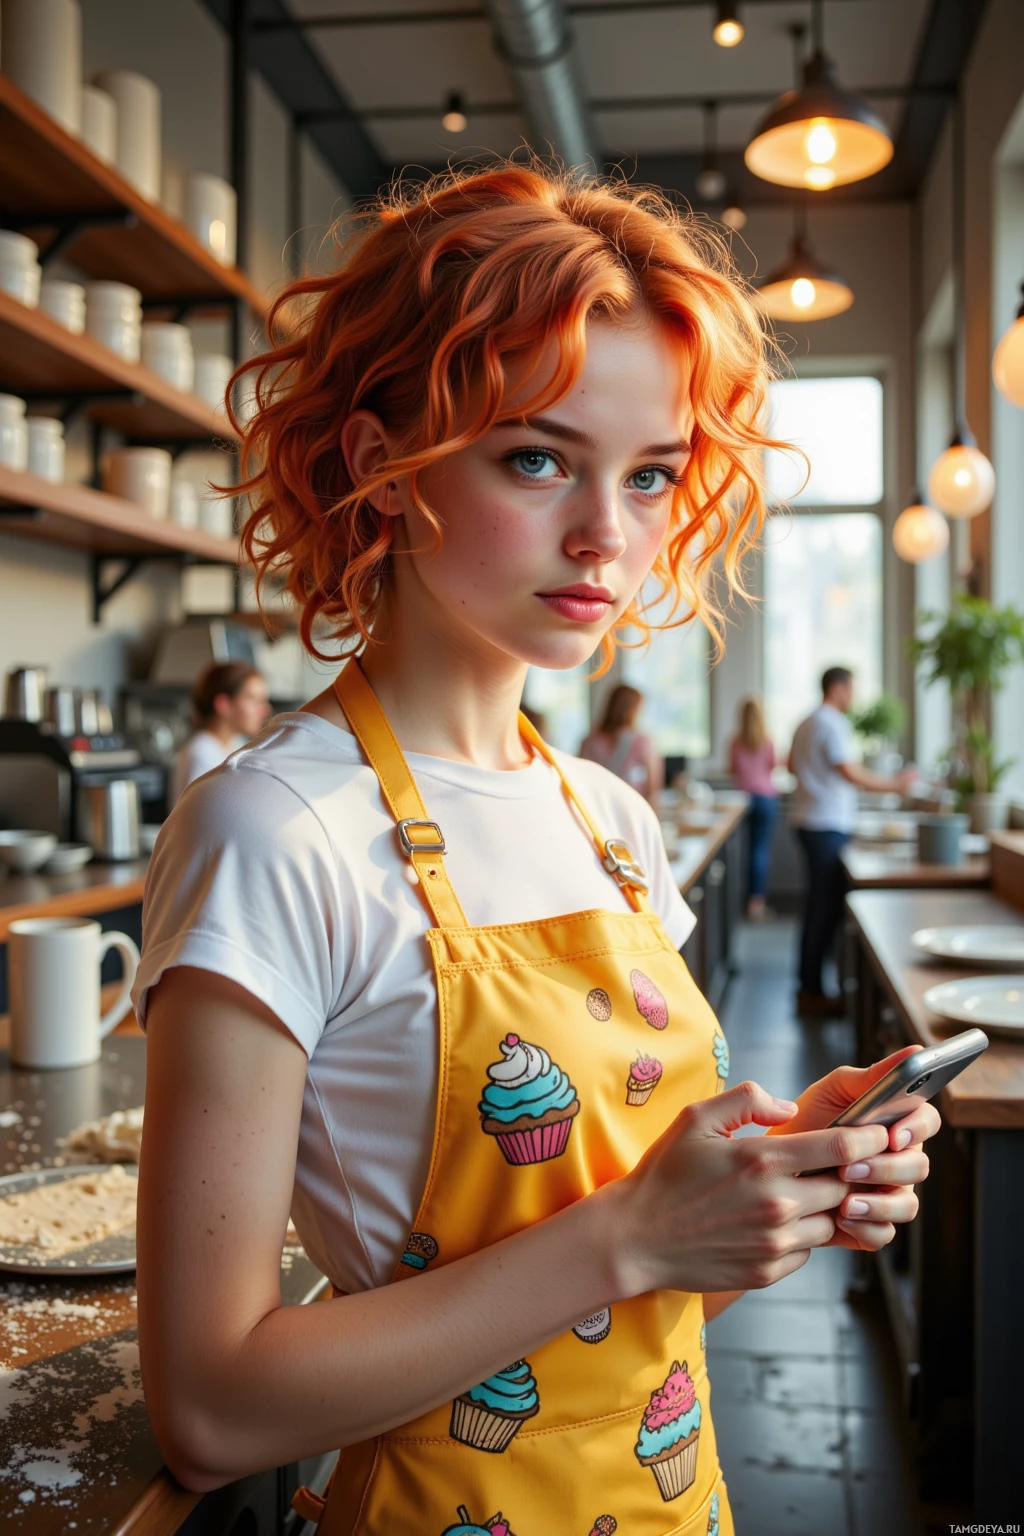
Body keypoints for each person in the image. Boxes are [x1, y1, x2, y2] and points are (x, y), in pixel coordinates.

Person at [132, 164, 938, 1535]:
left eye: (651, 477)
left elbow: (620, 1310)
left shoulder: (608, 821)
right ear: (373, 464)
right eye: (537, 457)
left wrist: (773, 1198)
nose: (607, 539)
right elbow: (208, 1412)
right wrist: (630, 1232)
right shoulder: (273, 829)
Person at [789, 667, 916, 1016]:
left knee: (817, 907)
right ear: (837, 687)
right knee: (824, 911)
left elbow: (790, 765)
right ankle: (812, 992)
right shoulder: (831, 723)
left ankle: (809, 987)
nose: (853, 697)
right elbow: (849, 771)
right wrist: (894, 785)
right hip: (826, 824)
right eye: (851, 689)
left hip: (809, 820)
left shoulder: (806, 722)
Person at [168, 661, 271, 808]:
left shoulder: (236, 745)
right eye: (253, 699)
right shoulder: (202, 751)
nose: (265, 710)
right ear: (223, 704)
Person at [729, 696, 778, 921]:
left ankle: (739, 899)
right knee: (760, 851)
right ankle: (756, 903)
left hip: (744, 799)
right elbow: (772, 766)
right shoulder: (767, 741)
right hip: (765, 798)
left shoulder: (735, 742)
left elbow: (733, 770)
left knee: (744, 851)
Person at [580, 684, 663, 802]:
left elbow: (580, 779)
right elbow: (653, 788)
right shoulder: (642, 742)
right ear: (634, 710)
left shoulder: (589, 741)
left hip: (595, 805)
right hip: (630, 806)